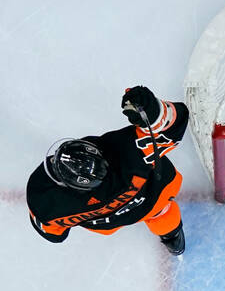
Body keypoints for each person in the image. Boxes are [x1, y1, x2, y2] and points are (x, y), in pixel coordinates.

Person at [27, 86, 190, 255]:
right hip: (152, 198)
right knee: (162, 213)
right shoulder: (129, 155)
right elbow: (175, 125)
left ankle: (171, 234)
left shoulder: (45, 204)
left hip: (113, 219)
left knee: (161, 213)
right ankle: (172, 236)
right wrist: (156, 114)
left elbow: (53, 234)